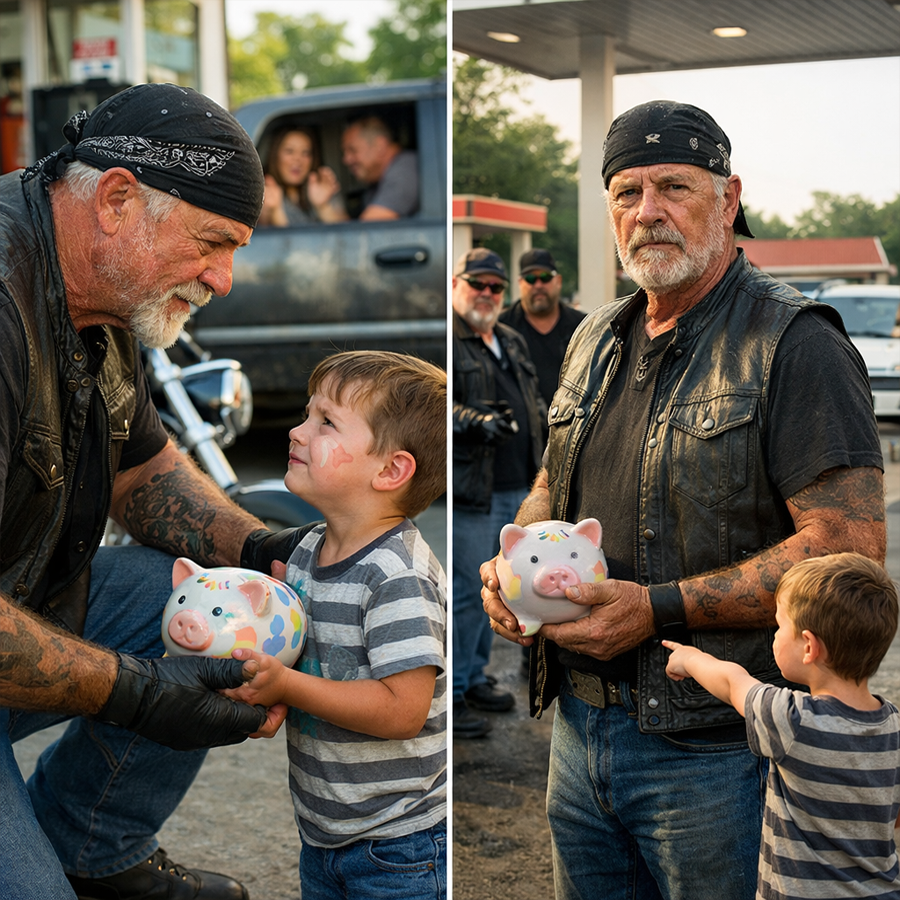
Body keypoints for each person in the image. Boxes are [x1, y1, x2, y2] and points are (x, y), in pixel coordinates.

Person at [481, 100, 886, 899]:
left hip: (717, 751)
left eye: (674, 187)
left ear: (728, 200)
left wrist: (656, 607)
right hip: (579, 725)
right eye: (627, 192)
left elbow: (847, 554)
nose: (648, 212)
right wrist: (513, 567)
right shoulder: (595, 335)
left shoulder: (796, 343)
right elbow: (552, 480)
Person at [0, 83, 288, 900]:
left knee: (229, 619)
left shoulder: (104, 297)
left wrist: (266, 552)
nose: (225, 279)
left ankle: (95, 847)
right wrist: (141, 696)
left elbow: (143, 468)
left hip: (22, 608)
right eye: (212, 243)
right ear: (119, 199)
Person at [226, 350, 447, 900]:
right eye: (307, 414)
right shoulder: (305, 552)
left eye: (326, 422)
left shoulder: (396, 576)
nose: (298, 432)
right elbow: (314, 653)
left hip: (400, 846)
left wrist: (286, 685)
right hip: (325, 834)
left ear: (390, 469)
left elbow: (403, 710)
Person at [664, 552, 900, 899]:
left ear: (808, 646)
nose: (775, 636)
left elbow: (733, 682)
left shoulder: (792, 719)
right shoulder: (892, 724)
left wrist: (690, 658)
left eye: (779, 626)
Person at [453, 248, 545, 738]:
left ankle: (476, 675)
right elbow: (434, 404)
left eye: (495, 287)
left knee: (500, 587)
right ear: (456, 283)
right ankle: (456, 690)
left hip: (520, 487)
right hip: (474, 490)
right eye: (477, 284)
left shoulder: (509, 337)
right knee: (469, 592)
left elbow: (532, 401)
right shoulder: (449, 336)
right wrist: (476, 420)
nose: (486, 294)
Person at [499, 248, 586, 410]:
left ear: (558, 281)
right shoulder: (500, 328)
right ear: (520, 283)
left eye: (545, 277)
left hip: (574, 427)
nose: (538, 285)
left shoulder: (583, 326)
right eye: (530, 278)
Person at [324, 115, 419, 221]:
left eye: (353, 150)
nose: (346, 160)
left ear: (380, 146)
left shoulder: (405, 170)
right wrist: (324, 205)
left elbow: (364, 234)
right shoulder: (377, 180)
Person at [257, 126, 341, 227]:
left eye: (305, 153)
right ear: (275, 156)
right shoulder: (265, 193)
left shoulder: (324, 188)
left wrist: (323, 207)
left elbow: (350, 236)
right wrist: (275, 211)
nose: (298, 159)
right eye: (289, 151)